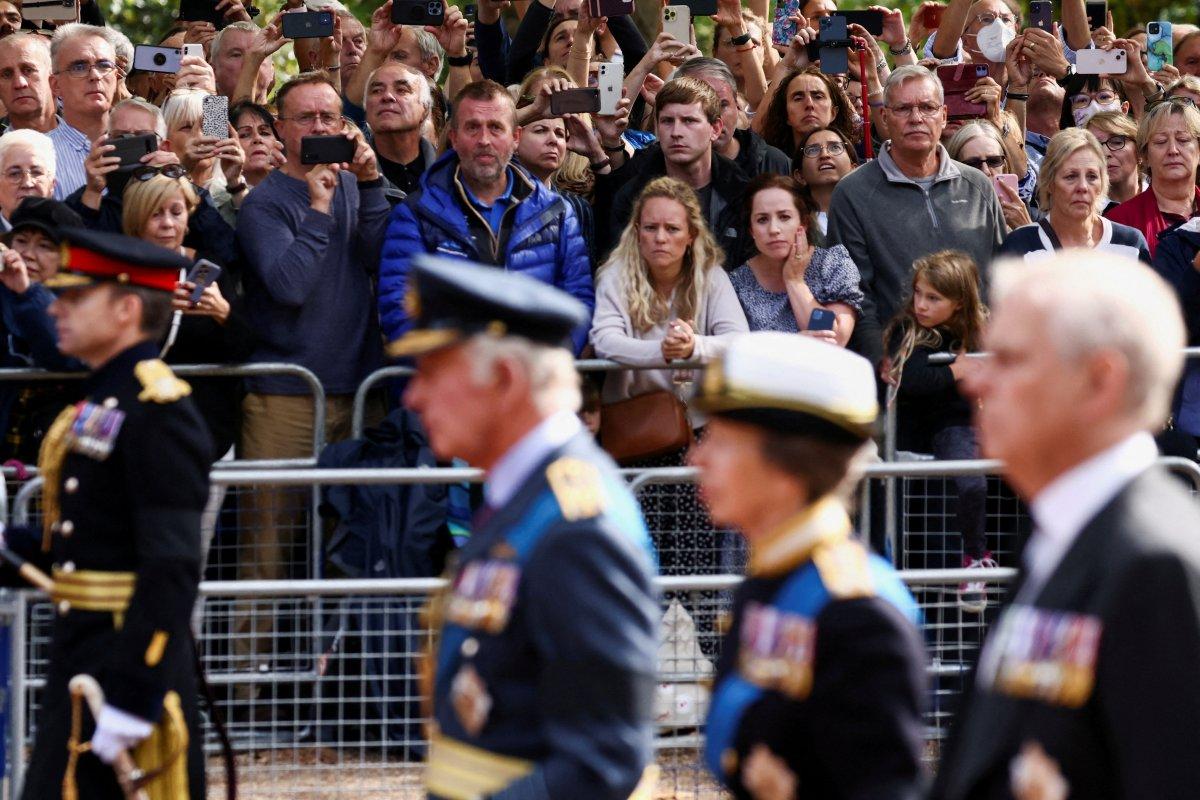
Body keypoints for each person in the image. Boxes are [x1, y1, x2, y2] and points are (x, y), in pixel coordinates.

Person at [932, 251, 1200, 800]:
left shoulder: (1157, 565)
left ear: (1100, 382)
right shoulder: (1057, 534)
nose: (975, 381)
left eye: (1009, 359)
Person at [391, 255, 659, 800]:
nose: (413, 396)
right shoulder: (524, 496)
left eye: (433, 372)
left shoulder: (578, 525)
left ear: (505, 379)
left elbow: (603, 766)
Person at [7, 227, 211, 800]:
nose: (57, 308)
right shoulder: (106, 398)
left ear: (126, 310)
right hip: (83, 655)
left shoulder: (158, 409)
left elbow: (171, 565)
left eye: (75, 297)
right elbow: (88, 538)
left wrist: (133, 698)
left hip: (125, 670)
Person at [692, 332, 927, 799]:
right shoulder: (773, 576)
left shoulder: (860, 614)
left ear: (788, 469)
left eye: (721, 442)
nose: (697, 458)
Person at [235, 72, 388, 672]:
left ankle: (337, 690)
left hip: (360, 390)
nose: (321, 128)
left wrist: (369, 185)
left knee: (349, 545)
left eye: (331, 117)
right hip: (285, 398)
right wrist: (320, 208)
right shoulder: (264, 202)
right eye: (306, 118)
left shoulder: (353, 182)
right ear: (281, 129)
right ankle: (245, 691)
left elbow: (381, 260)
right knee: (268, 549)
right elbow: (289, 285)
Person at [591, 177, 748, 574]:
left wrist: (693, 347)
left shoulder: (710, 276)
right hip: (636, 430)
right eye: (651, 227)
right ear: (637, 231)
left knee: (697, 556)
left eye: (672, 228)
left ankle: (694, 617)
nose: (660, 238)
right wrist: (661, 352)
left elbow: (738, 342)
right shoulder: (616, 275)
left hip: (698, 432)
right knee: (637, 554)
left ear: (691, 235)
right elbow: (605, 339)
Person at [379, 79, 593, 353]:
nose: (484, 140)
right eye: (472, 127)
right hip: (450, 375)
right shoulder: (415, 214)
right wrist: (462, 368)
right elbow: (398, 308)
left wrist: (543, 362)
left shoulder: (556, 213)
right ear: (454, 138)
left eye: (495, 128)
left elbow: (578, 301)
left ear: (515, 138)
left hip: (533, 373)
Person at [827, 65, 1005, 368]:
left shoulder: (978, 186)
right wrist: (881, 362)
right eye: (903, 108)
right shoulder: (852, 193)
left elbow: (1001, 276)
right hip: (902, 366)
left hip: (978, 363)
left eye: (927, 107)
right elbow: (854, 293)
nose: (916, 118)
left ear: (944, 116)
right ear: (884, 117)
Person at [884, 250, 993, 608]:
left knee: (972, 482)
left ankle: (976, 557)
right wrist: (955, 371)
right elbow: (910, 377)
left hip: (957, 426)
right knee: (920, 536)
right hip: (913, 436)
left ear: (959, 302)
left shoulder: (979, 331)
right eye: (919, 293)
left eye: (933, 298)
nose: (921, 304)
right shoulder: (907, 329)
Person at [606, 77, 751, 264]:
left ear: (715, 129)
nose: (676, 132)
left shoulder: (743, 195)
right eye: (667, 121)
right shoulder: (632, 197)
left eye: (689, 121)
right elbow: (621, 268)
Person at [730, 174, 861, 345]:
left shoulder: (833, 264)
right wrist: (791, 344)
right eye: (762, 220)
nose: (774, 229)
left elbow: (834, 339)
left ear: (804, 223)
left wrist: (794, 280)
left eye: (784, 217)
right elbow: (733, 349)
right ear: (751, 230)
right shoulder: (735, 284)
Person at [1001, 129, 1151, 263]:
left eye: (1092, 176)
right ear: (1049, 182)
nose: (1083, 187)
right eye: (1070, 176)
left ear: (1102, 183)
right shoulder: (1020, 246)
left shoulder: (1131, 244)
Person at [1106, 99, 1200, 259]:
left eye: (1183, 140)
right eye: (1161, 142)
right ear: (1145, 156)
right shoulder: (1119, 222)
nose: (1173, 150)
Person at [674, 57, 791, 178]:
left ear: (736, 105)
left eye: (722, 105)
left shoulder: (776, 164)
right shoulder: (662, 166)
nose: (714, 116)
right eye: (699, 107)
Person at [47, 23, 118, 200]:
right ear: (55, 85)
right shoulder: (39, 155)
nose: (95, 76)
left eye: (104, 65)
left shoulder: (144, 141)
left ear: (116, 78)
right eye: (79, 67)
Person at [363, 62, 435, 196]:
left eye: (401, 90)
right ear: (366, 108)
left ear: (425, 109)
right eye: (377, 90)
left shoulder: (452, 174)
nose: (387, 96)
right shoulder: (350, 177)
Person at [754, 67, 859, 160]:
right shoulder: (771, 164)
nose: (809, 104)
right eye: (798, 98)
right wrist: (785, 66)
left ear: (833, 112)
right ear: (786, 115)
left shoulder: (855, 166)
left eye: (818, 97)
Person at [946, 121, 1032, 232]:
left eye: (994, 161)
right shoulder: (944, 216)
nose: (986, 171)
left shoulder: (1022, 212)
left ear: (1005, 166)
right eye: (973, 163)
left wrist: (1025, 228)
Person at [791, 126, 858, 243]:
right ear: (800, 175)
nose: (824, 155)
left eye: (835, 147)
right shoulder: (792, 225)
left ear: (854, 168)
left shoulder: (869, 215)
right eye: (813, 150)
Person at [0, 32, 60, 134]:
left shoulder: (88, 137)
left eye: (28, 70)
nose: (19, 83)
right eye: (6, 74)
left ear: (54, 81)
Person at [1084, 110, 1143, 210]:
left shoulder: (1165, 196)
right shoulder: (1082, 211)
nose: (1105, 153)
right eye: (1095, 146)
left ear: (1139, 150)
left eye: (1117, 142)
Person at [0, 128, 56, 231]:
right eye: (15, 174)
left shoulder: (70, 237)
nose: (27, 183)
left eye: (36, 172)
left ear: (52, 183)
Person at [230, 100, 283, 191]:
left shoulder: (300, 186)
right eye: (245, 135)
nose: (257, 138)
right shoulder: (215, 193)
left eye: (264, 133)